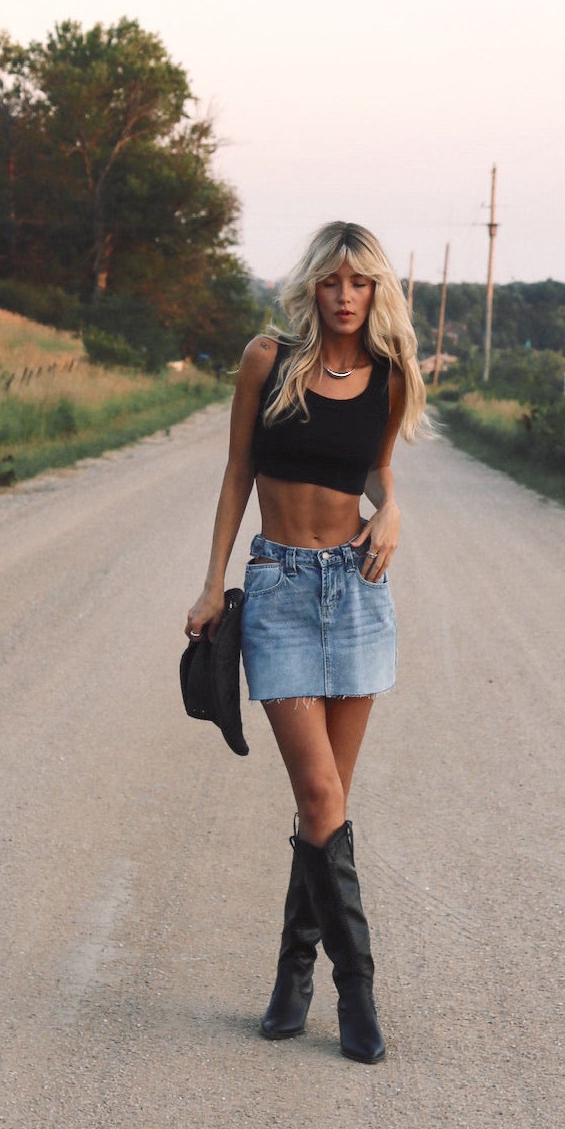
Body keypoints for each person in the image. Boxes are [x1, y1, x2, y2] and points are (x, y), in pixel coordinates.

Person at [185, 222, 426, 1064]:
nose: (346, 296)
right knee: (323, 800)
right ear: (313, 287)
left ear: (377, 292)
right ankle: (357, 991)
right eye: (332, 281)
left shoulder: (391, 377)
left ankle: (293, 973)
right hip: (282, 593)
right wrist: (215, 582)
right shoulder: (269, 360)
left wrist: (391, 507)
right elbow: (236, 475)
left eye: (361, 283)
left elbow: (378, 469)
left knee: (325, 805)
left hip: (356, 593)